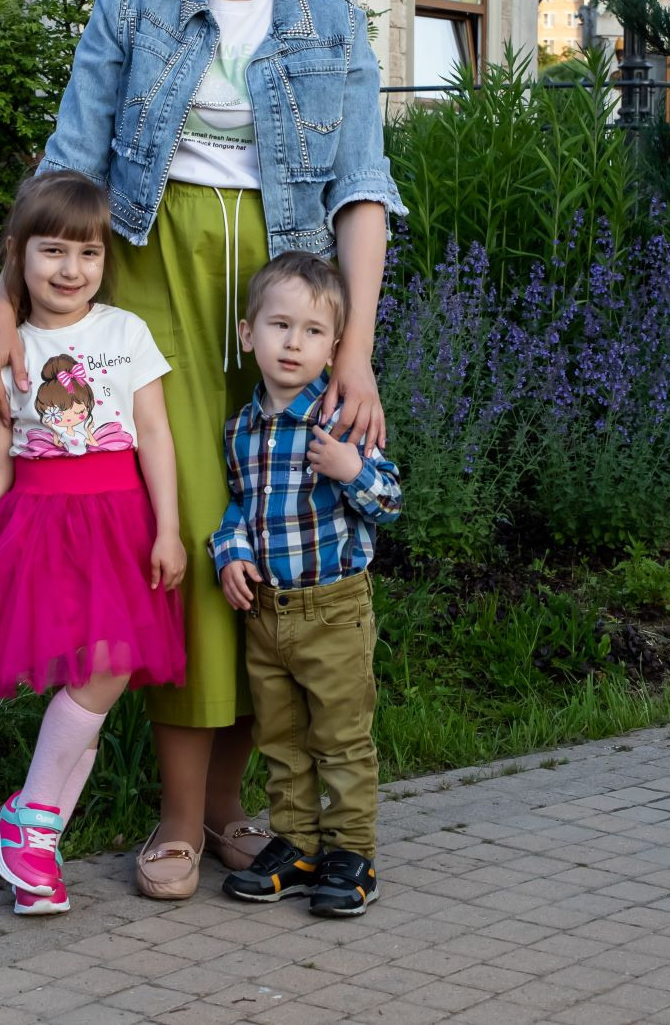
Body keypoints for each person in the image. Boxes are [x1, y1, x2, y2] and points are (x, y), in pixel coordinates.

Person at [0, 0, 402, 899]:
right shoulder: (131, 8)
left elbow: (360, 190)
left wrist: (354, 349)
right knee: (187, 533)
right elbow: (69, 163)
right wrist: (3, 305)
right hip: (151, 274)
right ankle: (176, 817)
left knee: (271, 527)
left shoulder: (330, 23)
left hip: (285, 297)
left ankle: (229, 808)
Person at [0, 172, 188, 915]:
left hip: (122, 528)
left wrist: (168, 527)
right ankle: (33, 834)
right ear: (18, 255)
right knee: (94, 676)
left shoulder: (125, 333)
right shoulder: (10, 348)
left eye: (88, 253)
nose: (71, 269)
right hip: (44, 532)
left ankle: (30, 828)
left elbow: (155, 435)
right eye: (52, 250)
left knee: (107, 671)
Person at [210, 252, 402, 918]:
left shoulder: (341, 417)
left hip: (333, 610)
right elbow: (240, 505)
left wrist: (352, 469)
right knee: (282, 739)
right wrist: (231, 552)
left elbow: (389, 502)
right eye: (280, 326)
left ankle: (351, 854)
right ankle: (296, 845)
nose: (294, 343)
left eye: (313, 331)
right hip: (266, 612)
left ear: (334, 345)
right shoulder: (241, 429)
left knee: (341, 738)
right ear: (248, 334)